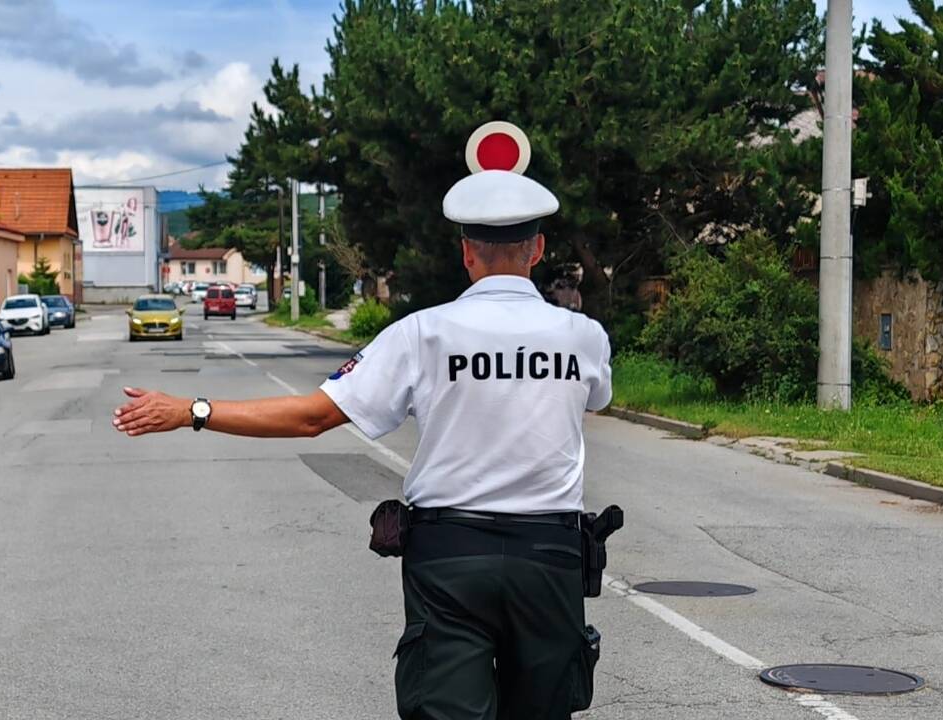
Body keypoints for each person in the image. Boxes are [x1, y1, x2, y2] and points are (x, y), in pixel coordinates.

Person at [113, 155, 612, 720]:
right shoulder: (585, 338)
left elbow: (310, 417)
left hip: (451, 559)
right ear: (539, 249)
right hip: (550, 560)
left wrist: (192, 409)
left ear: (466, 252)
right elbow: (592, 403)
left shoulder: (421, 333)